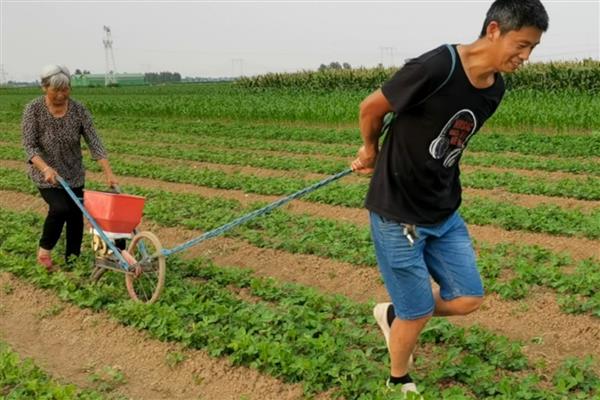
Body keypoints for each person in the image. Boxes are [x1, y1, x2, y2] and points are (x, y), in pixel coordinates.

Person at [351, 0, 548, 396]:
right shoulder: (437, 66)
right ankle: (398, 378)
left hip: (443, 211)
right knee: (418, 312)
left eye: (533, 49)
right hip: (398, 214)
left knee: (468, 298)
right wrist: (370, 151)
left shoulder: (496, 89)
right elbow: (372, 108)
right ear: (494, 30)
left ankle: (396, 313)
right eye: (522, 45)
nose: (525, 56)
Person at [21, 64, 118, 271]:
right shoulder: (33, 110)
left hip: (73, 172)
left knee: (76, 216)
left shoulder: (79, 110)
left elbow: (95, 142)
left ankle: (72, 261)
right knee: (60, 208)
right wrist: (45, 168)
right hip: (45, 173)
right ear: (44, 88)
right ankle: (44, 252)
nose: (61, 94)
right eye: (56, 90)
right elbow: (29, 146)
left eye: (65, 89)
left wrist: (109, 173)